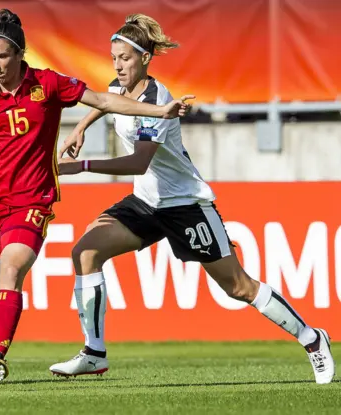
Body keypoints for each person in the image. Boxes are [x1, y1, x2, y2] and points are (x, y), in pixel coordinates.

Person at [0, 8, 193, 389]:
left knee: (10, 270)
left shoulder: (47, 85)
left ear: (19, 55)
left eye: (3, 56)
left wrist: (160, 110)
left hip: (30, 200)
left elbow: (104, 100)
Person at [49, 14, 335, 385]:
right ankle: (94, 353)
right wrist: (82, 129)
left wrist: (82, 166)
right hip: (147, 203)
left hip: (186, 205)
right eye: (114, 57)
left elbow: (139, 162)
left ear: (146, 59)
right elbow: (106, 102)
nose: (118, 65)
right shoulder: (120, 87)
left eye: (125, 58)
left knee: (238, 286)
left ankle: (313, 340)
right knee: (85, 252)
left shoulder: (159, 99)